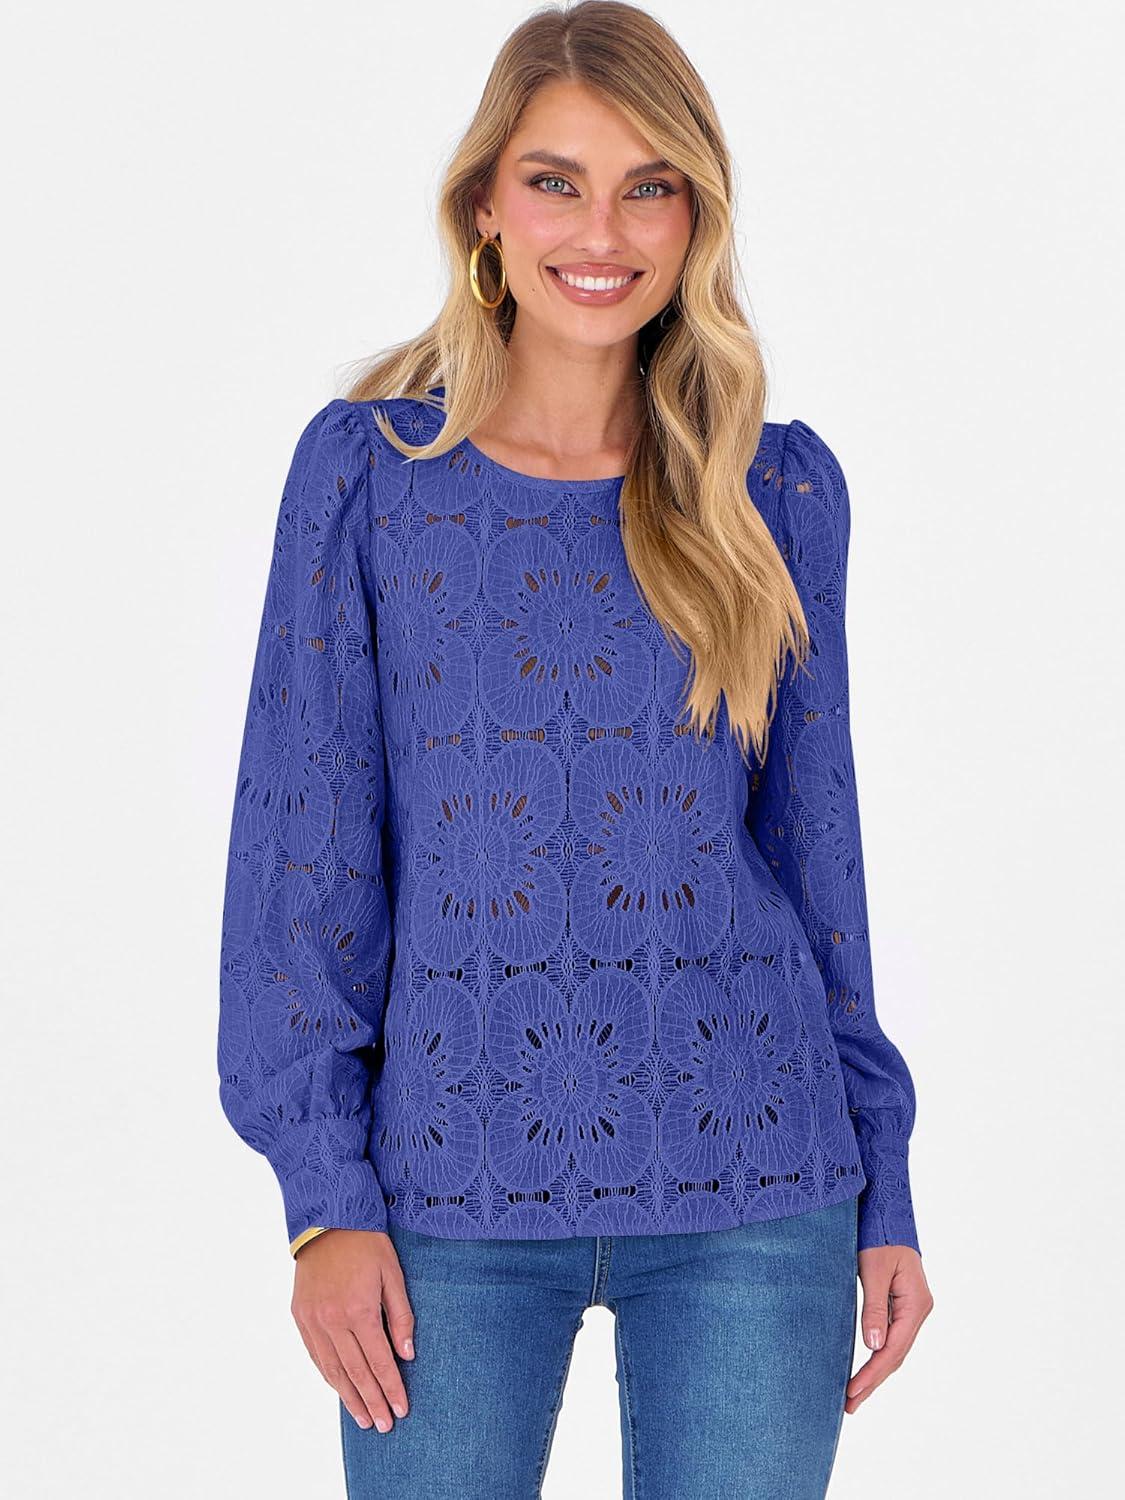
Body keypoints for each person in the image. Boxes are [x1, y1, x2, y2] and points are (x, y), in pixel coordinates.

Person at [216, 3, 933, 1494]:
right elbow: (303, 849)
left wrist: (886, 1186)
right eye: (554, 181)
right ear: (483, 204)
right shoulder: (369, 479)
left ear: (695, 217)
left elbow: (822, 863)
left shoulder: (770, 495)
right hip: (445, 1193)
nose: (601, 231)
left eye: (647, 186)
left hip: (758, 1182)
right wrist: (322, 1198)